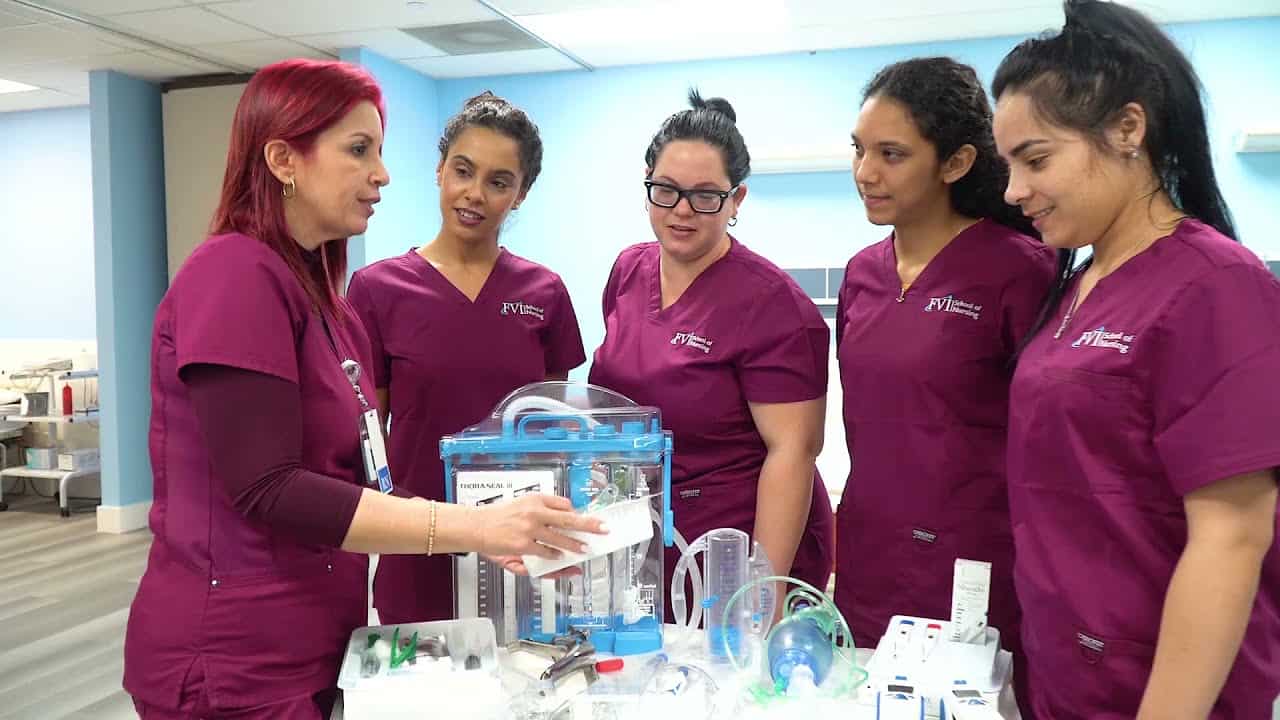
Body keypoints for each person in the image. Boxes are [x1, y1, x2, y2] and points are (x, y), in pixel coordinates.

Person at [122, 59, 599, 720]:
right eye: (359, 150)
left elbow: (356, 471)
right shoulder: (233, 273)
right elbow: (268, 487)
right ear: (284, 160)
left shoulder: (326, 304)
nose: (382, 173)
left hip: (314, 638)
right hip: (236, 657)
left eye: (379, 150)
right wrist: (475, 524)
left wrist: (504, 531)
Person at [991, 2, 1280, 716]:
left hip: (1157, 689)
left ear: (1127, 129)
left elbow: (1233, 536)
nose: (1013, 190)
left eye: (1035, 159)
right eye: (1008, 165)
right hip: (1065, 670)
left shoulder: (1216, 285)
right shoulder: (1076, 285)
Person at [832, 58, 1054, 695]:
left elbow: (1046, 443)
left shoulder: (1019, 270)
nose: (865, 172)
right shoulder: (862, 275)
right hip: (869, 556)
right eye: (859, 149)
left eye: (892, 154)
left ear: (955, 163)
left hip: (974, 564)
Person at [588, 90, 834, 614]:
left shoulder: (772, 304)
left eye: (705, 196)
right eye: (666, 190)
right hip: (645, 533)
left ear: (736, 200)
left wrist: (763, 593)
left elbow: (792, 453)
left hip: (737, 545)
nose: (682, 210)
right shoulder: (628, 270)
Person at [347, 92, 586, 626]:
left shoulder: (544, 293)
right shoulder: (377, 290)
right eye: (463, 170)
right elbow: (369, 439)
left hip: (522, 545)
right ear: (439, 170)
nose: (474, 193)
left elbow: (549, 432)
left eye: (499, 182)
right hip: (418, 540)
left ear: (520, 194)